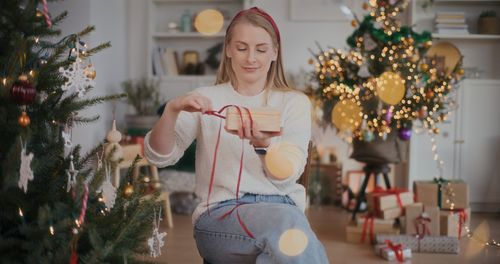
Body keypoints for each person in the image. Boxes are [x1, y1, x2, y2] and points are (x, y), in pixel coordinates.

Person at [145, 7, 328, 264]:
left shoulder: (294, 103)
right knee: (291, 232)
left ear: (275, 52)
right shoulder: (206, 98)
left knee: (284, 243)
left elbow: (289, 173)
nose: (251, 58)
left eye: (261, 49)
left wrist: (264, 146)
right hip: (221, 215)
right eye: (242, 48)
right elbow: (158, 157)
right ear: (228, 49)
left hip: (283, 209)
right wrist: (171, 111)